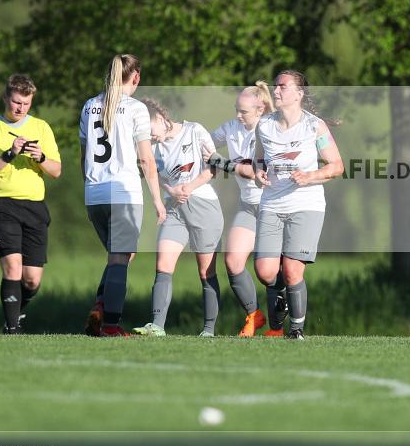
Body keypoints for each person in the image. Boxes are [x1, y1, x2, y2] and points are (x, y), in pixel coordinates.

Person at [253, 70, 344, 340]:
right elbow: (258, 159)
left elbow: (337, 166)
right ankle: (279, 294)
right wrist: (259, 171)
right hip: (271, 203)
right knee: (266, 271)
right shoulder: (264, 125)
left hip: (307, 204)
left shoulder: (314, 126)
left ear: (299, 94)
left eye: (282, 86)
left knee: (293, 269)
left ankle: (296, 329)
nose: (276, 91)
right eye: (276, 86)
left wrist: (310, 176)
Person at [80, 54, 166, 338]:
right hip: (124, 193)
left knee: (119, 256)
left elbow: (84, 157)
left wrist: (91, 188)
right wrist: (156, 199)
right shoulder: (135, 109)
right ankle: (112, 325)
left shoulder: (90, 105)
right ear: (137, 77)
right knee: (120, 257)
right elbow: (146, 160)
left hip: (95, 193)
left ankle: (100, 306)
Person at [0, 74, 62, 334]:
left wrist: (41, 157)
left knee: (32, 279)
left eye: (25, 103)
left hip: (35, 207)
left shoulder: (42, 128)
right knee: (12, 266)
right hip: (2, 205)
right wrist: (10, 153)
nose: (20, 108)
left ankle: (15, 315)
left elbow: (56, 171)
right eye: (16, 102)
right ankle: (12, 330)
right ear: (6, 98)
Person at [133, 99, 224, 337]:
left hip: (204, 207)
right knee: (163, 263)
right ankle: (157, 326)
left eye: (152, 132)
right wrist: (171, 190)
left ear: (161, 119)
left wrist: (188, 187)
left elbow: (212, 167)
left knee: (206, 272)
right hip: (175, 209)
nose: (152, 138)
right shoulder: (152, 145)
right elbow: (152, 173)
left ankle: (208, 329)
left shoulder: (195, 131)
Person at [208, 82, 274, 337]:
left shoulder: (270, 129)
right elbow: (205, 143)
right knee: (233, 261)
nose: (238, 115)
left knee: (270, 269)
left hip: (272, 205)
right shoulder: (232, 128)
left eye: (243, 111)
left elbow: (250, 171)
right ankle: (254, 315)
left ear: (260, 110)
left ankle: (282, 326)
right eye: (236, 109)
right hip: (248, 204)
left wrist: (219, 162)